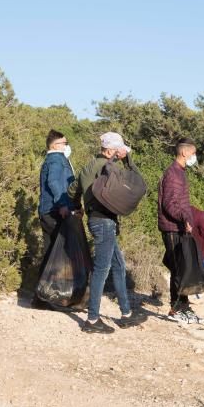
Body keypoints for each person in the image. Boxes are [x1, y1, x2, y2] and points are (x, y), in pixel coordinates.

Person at [67, 132, 144, 333]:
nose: (120, 154)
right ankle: (92, 320)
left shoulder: (88, 167)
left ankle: (126, 313)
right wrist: (128, 161)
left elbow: (72, 190)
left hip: (96, 220)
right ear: (110, 150)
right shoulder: (108, 168)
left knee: (118, 265)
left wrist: (79, 206)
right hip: (104, 223)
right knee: (102, 270)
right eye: (119, 151)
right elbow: (133, 184)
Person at [158, 139, 204, 324]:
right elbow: (169, 204)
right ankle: (176, 308)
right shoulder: (173, 174)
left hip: (179, 227)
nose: (194, 157)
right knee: (178, 269)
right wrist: (183, 219)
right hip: (172, 228)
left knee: (183, 268)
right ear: (184, 153)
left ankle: (184, 307)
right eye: (193, 153)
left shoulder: (180, 172)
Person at [38, 129, 76, 276]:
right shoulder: (56, 159)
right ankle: (56, 290)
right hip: (55, 211)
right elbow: (53, 182)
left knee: (49, 252)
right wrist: (63, 204)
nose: (66, 146)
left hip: (46, 210)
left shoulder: (49, 160)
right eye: (64, 143)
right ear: (54, 146)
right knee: (59, 253)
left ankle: (43, 293)